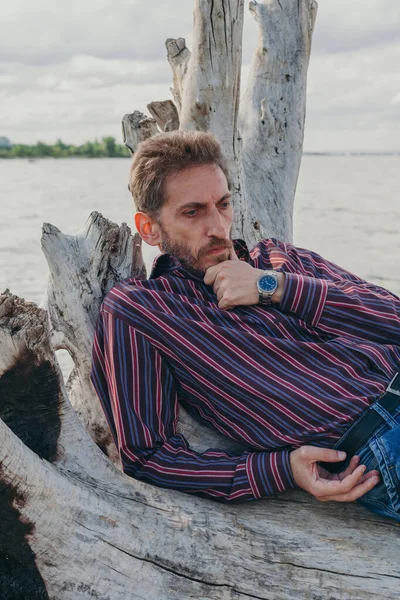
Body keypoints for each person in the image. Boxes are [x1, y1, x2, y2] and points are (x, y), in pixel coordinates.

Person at [90, 130, 400, 521]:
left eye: (223, 204)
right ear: (150, 228)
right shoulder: (144, 310)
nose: (217, 227)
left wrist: (272, 288)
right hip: (379, 441)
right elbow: (149, 456)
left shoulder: (280, 261)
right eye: (193, 212)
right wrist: (281, 469)